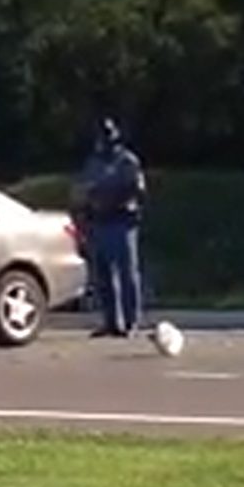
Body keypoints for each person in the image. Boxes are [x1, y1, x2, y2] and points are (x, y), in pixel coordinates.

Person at [79, 117, 146, 338]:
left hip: (121, 221)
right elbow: (86, 191)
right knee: (104, 274)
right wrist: (87, 212)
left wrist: (118, 201)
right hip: (100, 222)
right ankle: (110, 321)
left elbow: (137, 190)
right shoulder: (93, 163)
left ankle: (130, 321)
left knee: (127, 273)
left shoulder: (127, 161)